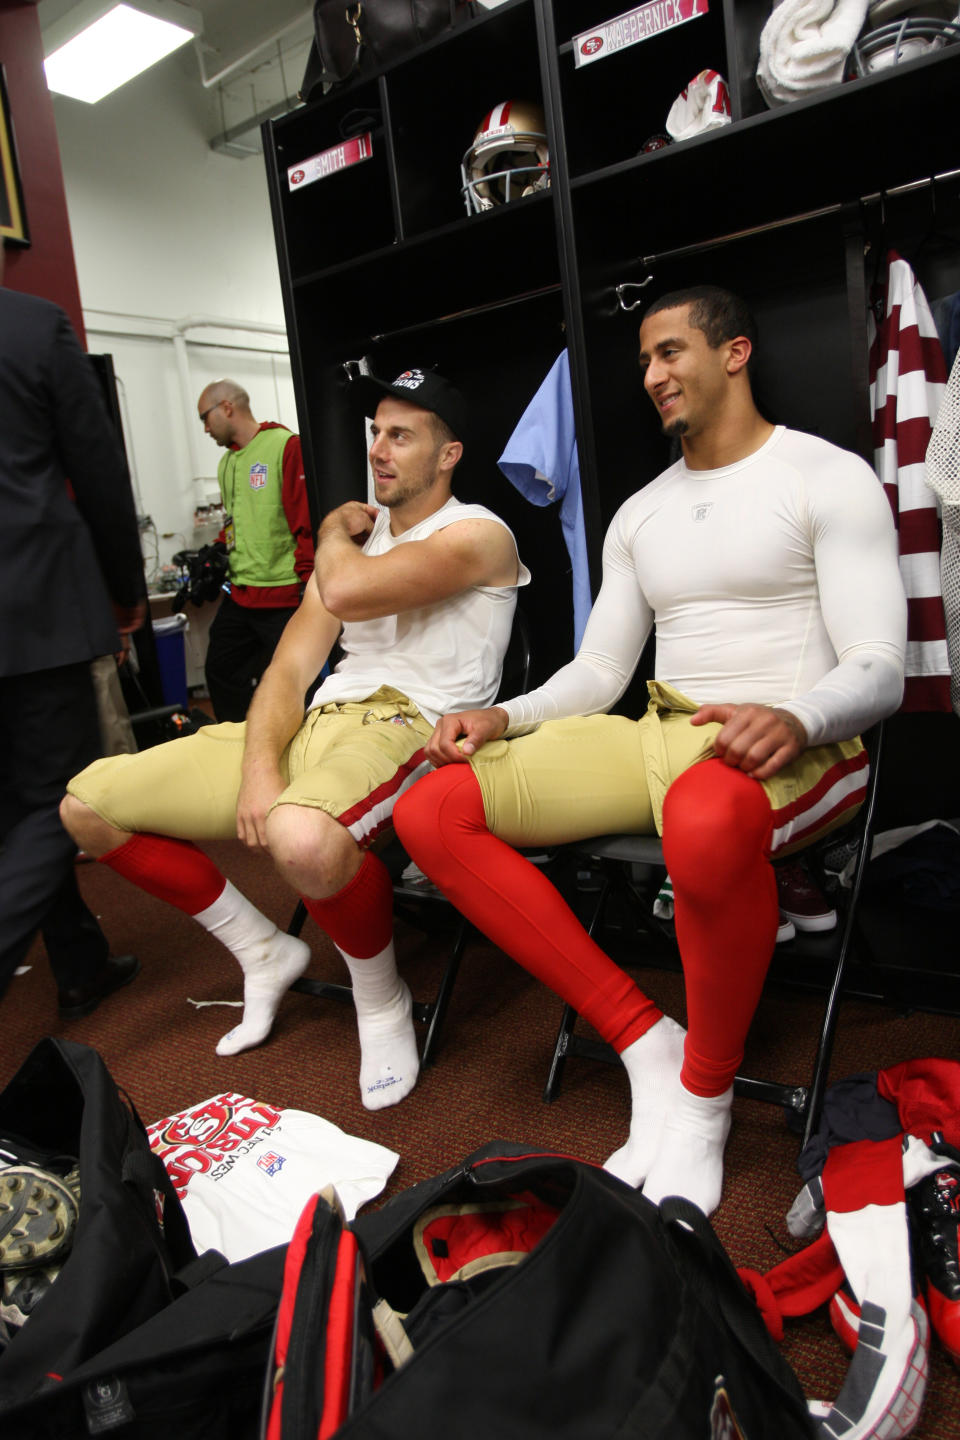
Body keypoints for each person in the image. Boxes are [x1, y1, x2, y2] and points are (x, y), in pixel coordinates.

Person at [393, 287, 907, 1214]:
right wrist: (505, 715)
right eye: (643, 360)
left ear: (736, 352)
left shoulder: (823, 476)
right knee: (433, 804)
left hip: (806, 742)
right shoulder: (640, 512)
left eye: (670, 352)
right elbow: (599, 671)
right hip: (663, 733)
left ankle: (705, 1100)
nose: (653, 375)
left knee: (704, 815)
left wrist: (799, 718)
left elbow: (881, 667)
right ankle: (643, 1039)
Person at [62, 367, 529, 1109]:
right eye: (376, 432)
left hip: (406, 726)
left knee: (304, 840)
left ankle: (379, 1001)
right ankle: (264, 950)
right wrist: (257, 765)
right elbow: (287, 670)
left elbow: (341, 591)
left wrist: (338, 534)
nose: (379, 449)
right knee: (88, 804)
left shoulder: (478, 533)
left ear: (448, 455)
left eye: (401, 435)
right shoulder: (353, 545)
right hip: (318, 722)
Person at [0, 250, 146, 1016]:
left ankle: (81, 964)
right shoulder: (31, 325)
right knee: (53, 801)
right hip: (34, 607)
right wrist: (124, 590)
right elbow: (97, 467)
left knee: (15, 806)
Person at [197, 379, 315, 721]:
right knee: (220, 672)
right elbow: (236, 521)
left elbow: (304, 522)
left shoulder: (285, 446)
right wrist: (217, 552)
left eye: (205, 417)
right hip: (240, 595)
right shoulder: (226, 463)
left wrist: (310, 588)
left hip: (283, 597)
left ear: (227, 408)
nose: (205, 428)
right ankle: (237, 745)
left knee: (289, 687)